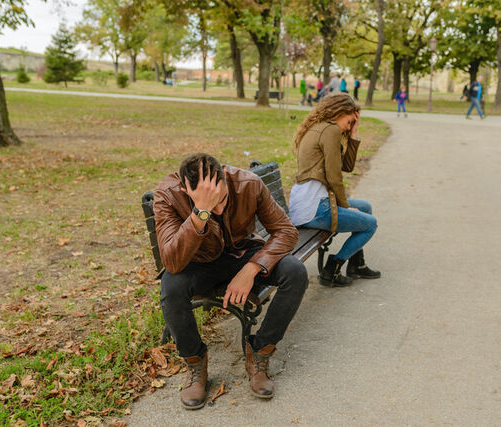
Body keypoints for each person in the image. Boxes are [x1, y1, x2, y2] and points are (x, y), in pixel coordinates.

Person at [154, 153, 308, 409]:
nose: (218, 210)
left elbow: (286, 232)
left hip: (242, 254)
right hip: (198, 261)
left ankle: (259, 354)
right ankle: (195, 365)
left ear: (224, 177)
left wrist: (251, 269)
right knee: (171, 286)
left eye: (221, 199)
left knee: (295, 271)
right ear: (185, 190)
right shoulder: (168, 194)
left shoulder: (248, 183)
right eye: (208, 205)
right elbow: (171, 262)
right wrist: (199, 213)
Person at [288, 93, 381, 287]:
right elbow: (333, 176)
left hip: (311, 202)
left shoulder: (322, 128)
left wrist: (354, 134)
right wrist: (345, 206)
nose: (349, 126)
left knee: (365, 207)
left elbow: (346, 167)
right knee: (371, 224)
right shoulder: (329, 131)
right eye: (349, 121)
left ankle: (356, 265)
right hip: (314, 208)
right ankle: (333, 267)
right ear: (340, 112)